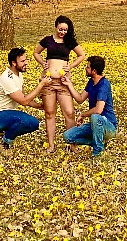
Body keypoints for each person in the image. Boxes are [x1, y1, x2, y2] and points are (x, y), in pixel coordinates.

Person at [33, 15, 86, 153]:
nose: (62, 32)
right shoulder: (48, 40)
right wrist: (43, 63)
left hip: (63, 82)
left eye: (65, 30)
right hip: (48, 81)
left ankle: (72, 144)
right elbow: (36, 52)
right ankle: (51, 145)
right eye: (60, 29)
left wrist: (71, 66)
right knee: (50, 113)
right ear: (56, 27)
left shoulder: (69, 41)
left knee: (69, 112)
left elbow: (82, 55)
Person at [0, 47, 49, 156]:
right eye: (23, 61)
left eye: (26, 60)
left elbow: (24, 97)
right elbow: (24, 101)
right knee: (29, 122)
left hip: (6, 114)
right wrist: (41, 85)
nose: (27, 63)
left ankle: (0, 133)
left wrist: (39, 106)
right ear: (14, 63)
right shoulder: (7, 79)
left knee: (33, 124)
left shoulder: (18, 75)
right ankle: (4, 142)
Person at [61, 55, 117, 157]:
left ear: (94, 71)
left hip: (109, 126)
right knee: (68, 136)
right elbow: (80, 99)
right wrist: (69, 84)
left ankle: (97, 153)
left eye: (87, 67)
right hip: (95, 125)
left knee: (95, 117)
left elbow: (98, 110)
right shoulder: (91, 82)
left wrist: (83, 114)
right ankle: (97, 142)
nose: (85, 69)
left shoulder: (104, 84)